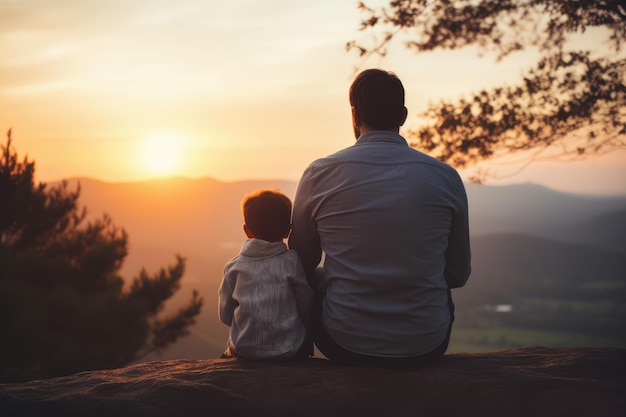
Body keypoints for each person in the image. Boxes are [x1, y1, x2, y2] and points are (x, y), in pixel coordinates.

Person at [289, 68, 471, 366]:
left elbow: (300, 262)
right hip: (426, 344)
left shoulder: (319, 173)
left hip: (343, 343)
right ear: (402, 115)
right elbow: (457, 275)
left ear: (354, 114)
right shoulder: (445, 177)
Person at [219, 189, 315, 361]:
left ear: (247, 231)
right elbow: (306, 304)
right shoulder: (291, 262)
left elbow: (225, 316)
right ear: (287, 231)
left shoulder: (233, 267)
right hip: (289, 351)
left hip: (243, 351)